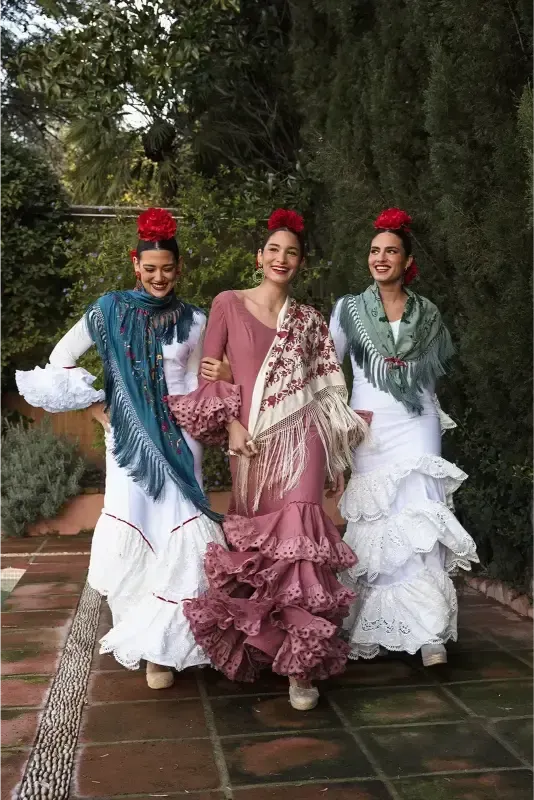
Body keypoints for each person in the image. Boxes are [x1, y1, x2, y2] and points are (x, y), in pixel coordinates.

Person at [16, 208, 227, 689]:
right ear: (136, 264)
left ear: (179, 269)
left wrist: (215, 391)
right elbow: (61, 358)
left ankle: (169, 649)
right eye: (149, 269)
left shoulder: (195, 319)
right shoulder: (108, 309)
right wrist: (98, 408)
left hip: (180, 440)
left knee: (180, 534)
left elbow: (199, 381)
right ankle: (146, 638)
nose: (158, 277)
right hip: (128, 443)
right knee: (139, 530)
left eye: (167, 269)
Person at [168, 209, 368, 710]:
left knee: (301, 543)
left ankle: (302, 670)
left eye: (292, 253)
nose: (282, 259)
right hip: (251, 442)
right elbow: (210, 377)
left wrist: (339, 457)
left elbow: (327, 392)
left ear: (300, 263)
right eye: (273, 250)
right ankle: (268, 647)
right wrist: (232, 423)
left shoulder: (308, 320)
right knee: (262, 553)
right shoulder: (227, 304)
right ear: (259, 257)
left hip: (305, 439)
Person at [329, 208, 478, 667]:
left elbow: (430, 377)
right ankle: (376, 623)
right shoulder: (348, 309)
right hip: (369, 423)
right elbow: (330, 369)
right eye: (375, 251)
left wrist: (427, 413)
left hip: (416, 421)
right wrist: (345, 421)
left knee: (419, 512)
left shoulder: (427, 313)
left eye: (390, 251)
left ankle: (429, 631)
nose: (381, 258)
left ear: (406, 259)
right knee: (377, 517)